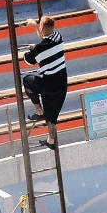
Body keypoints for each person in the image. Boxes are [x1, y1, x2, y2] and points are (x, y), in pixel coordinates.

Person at [21, 12, 67, 140]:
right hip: (62, 86)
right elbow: (44, 39)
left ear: (42, 28)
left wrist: (31, 49)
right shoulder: (58, 37)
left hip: (48, 85)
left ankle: (39, 110)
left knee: (27, 80)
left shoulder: (38, 49)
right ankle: (51, 141)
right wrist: (36, 26)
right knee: (52, 116)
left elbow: (28, 61)